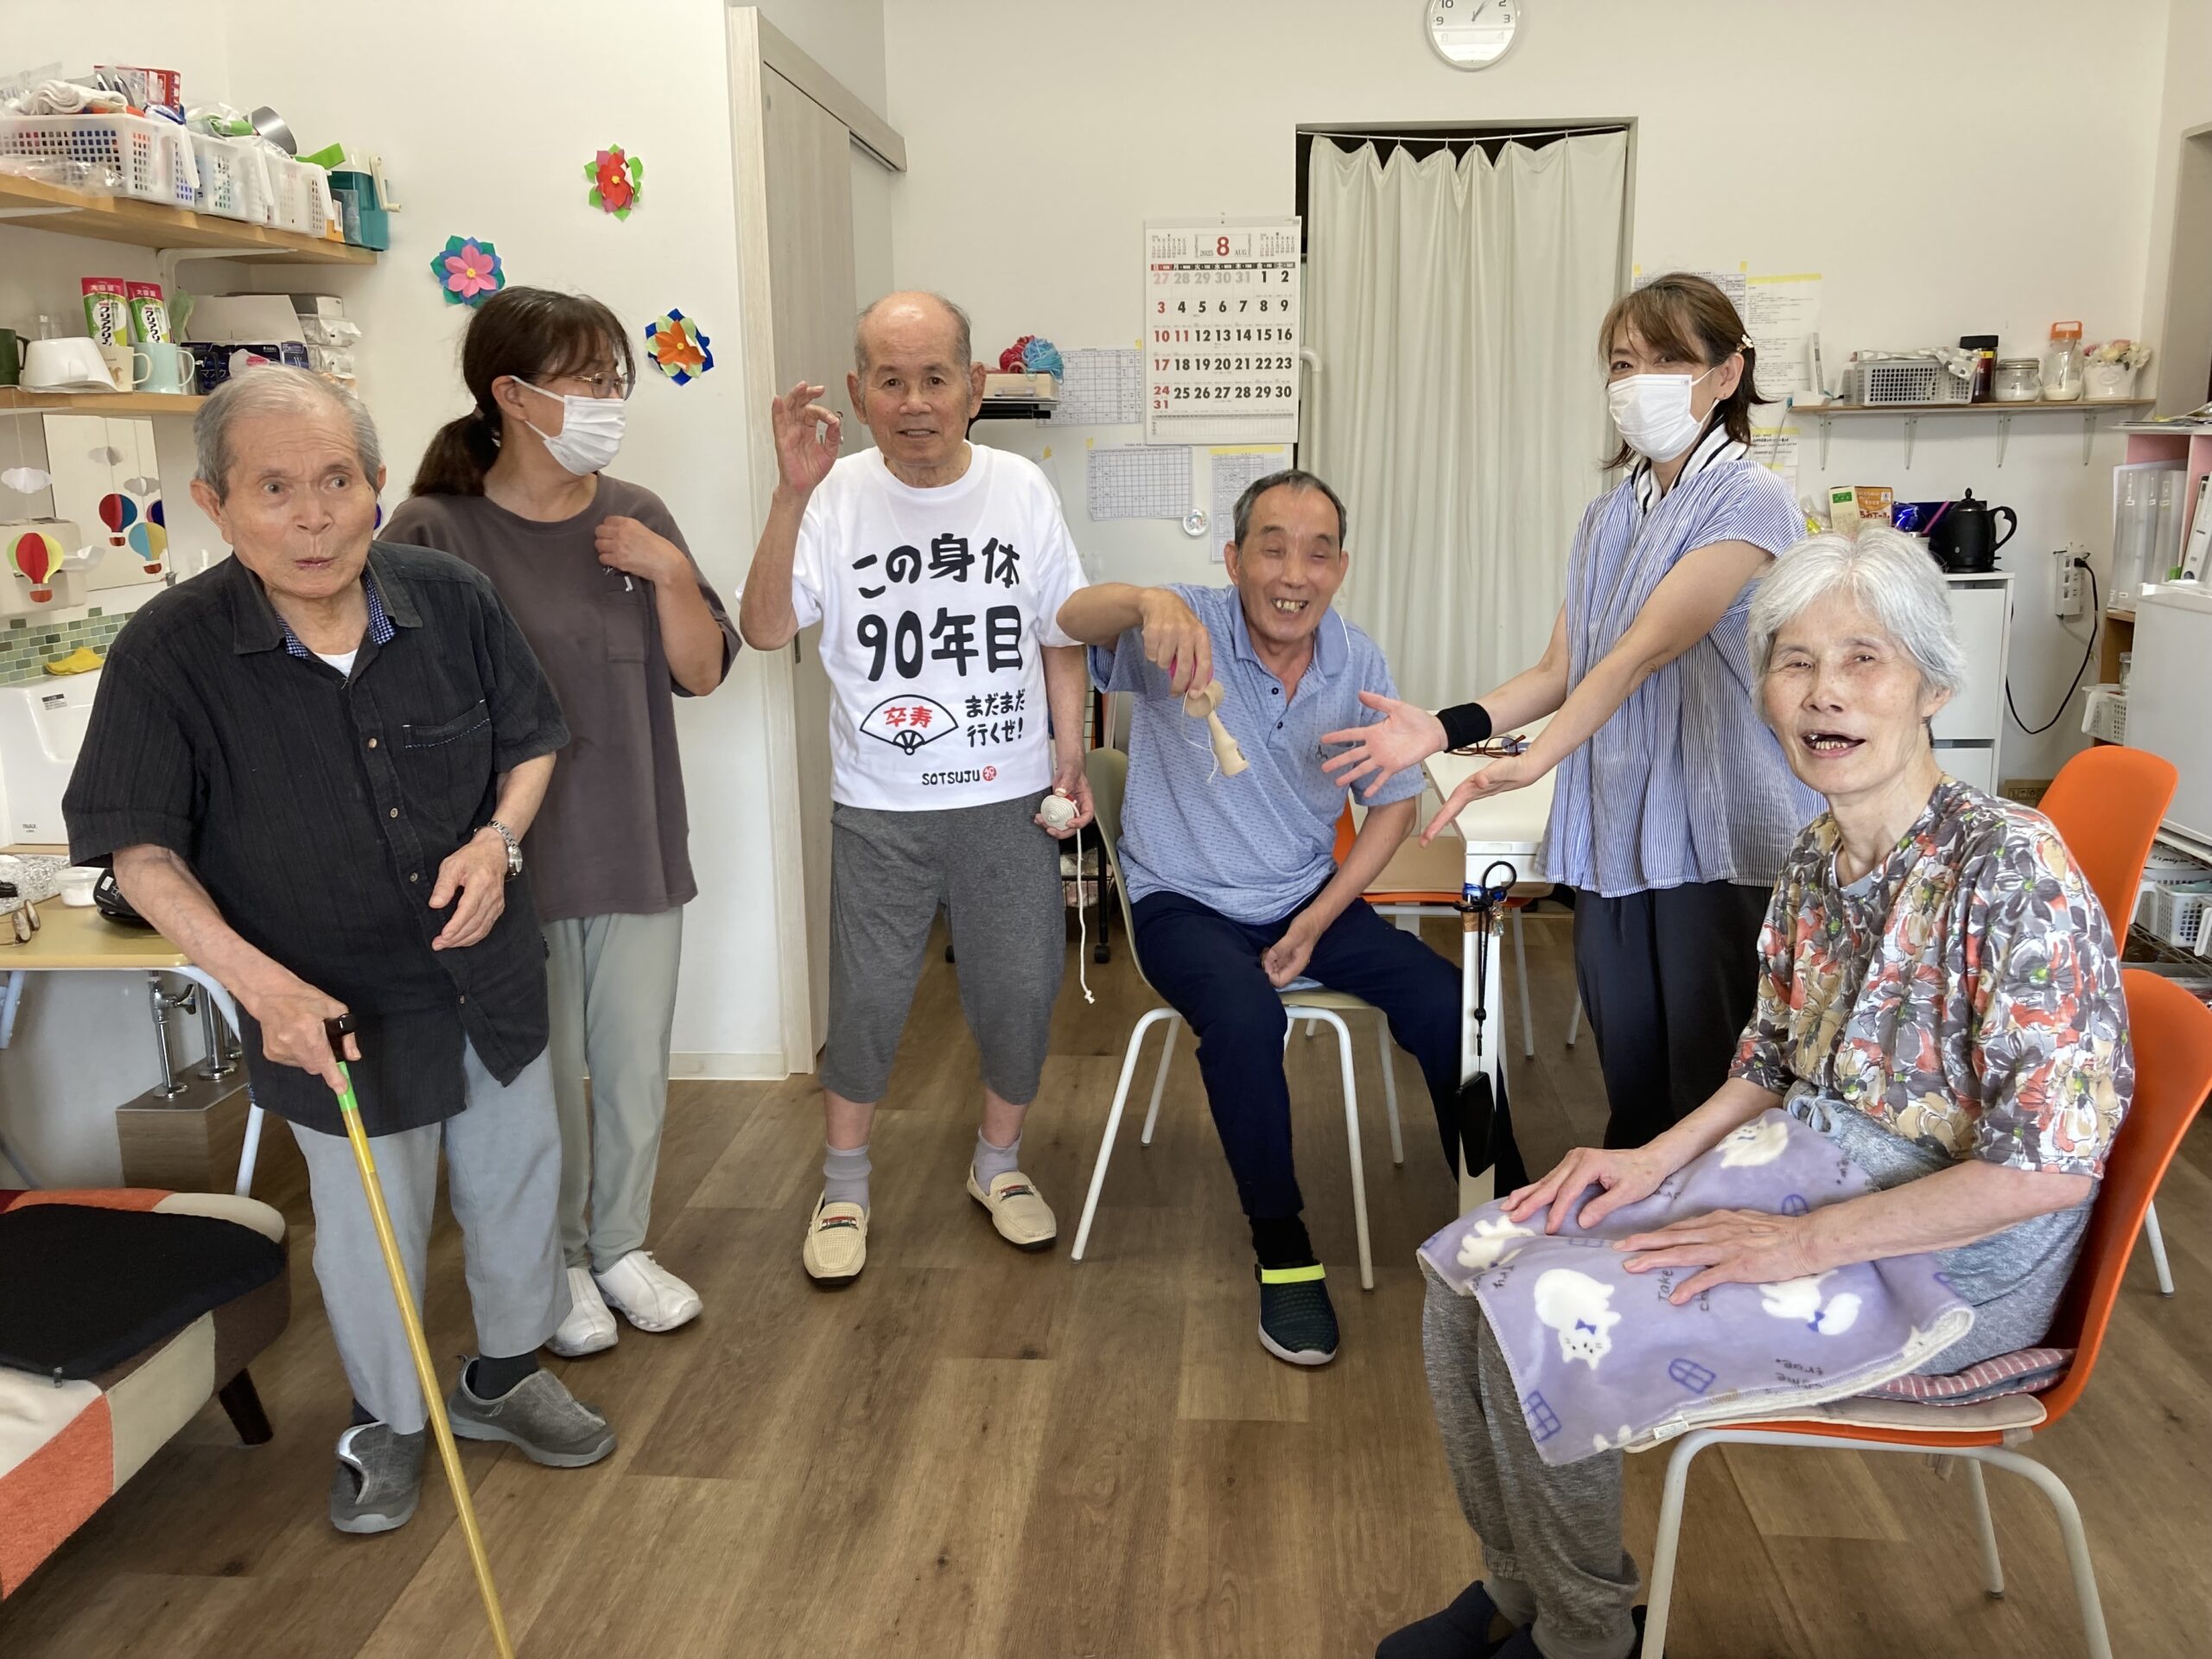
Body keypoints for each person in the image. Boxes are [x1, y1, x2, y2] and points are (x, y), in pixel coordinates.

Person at [1381, 529, 2130, 1659]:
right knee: (1470, 1266)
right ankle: (1524, 1586)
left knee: (1542, 1311)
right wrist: (1647, 1162)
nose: (1824, 693)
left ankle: (1584, 1639)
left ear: (1932, 682)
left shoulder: (2013, 865)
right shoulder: (1818, 855)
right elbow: (1768, 1064)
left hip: (1950, 1268)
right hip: (1811, 1180)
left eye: (1863, 659)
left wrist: (1808, 1242)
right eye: (1792, 662)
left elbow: (2047, 1169)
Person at [64, 367, 616, 1537]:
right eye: (275, 489)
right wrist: (254, 984)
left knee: (521, 1182)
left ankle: (503, 1378)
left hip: (488, 972)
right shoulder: (169, 654)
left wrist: (498, 843)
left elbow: (531, 741)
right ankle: (388, 1419)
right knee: (370, 1228)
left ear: (374, 487)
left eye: (335, 482)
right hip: (326, 1002)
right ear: (217, 504)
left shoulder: (449, 596)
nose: (312, 517)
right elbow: (137, 849)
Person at [1322, 273, 1820, 1179]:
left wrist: (1529, 764)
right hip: (1619, 830)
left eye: (1669, 358)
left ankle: (1706, 1276)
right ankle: (1628, 1261)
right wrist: (1438, 730)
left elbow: (1638, 652)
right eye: (1623, 363)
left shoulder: (1751, 500)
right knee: (1633, 1079)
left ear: (1725, 374)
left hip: (1720, 838)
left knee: (1713, 1096)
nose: (1640, 382)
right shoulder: (1608, 515)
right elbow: (1560, 669)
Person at [384, 288, 739, 1358]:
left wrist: (669, 571)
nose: (608, 400)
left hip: (633, 839)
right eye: (588, 380)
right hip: (509, 862)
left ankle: (621, 1244)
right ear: (512, 393)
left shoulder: (636, 516)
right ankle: (559, 1261)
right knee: (535, 1081)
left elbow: (703, 669)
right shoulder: (434, 530)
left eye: (614, 379)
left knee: (629, 1068)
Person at [1058, 469, 1463, 1367]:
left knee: (1447, 1001)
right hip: (1182, 903)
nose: (1294, 572)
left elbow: (1394, 803)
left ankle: (1504, 1207)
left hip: (1298, 897)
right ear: (1235, 559)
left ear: (1341, 568)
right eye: (1271, 547)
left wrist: (1318, 918)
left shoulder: (1357, 662)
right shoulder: (1180, 628)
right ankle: (1282, 1251)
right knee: (1245, 1018)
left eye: (1317, 553)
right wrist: (1146, 598)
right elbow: (1067, 619)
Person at [736, 291, 1093, 1284]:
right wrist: (788, 495)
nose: (915, 401)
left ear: (974, 387)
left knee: (1018, 992)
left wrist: (1069, 752)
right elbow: (766, 630)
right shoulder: (833, 494)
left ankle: (1000, 1164)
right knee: (866, 1004)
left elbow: (1059, 631)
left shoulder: (1020, 490)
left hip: (1008, 795)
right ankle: (843, 1181)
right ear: (857, 393)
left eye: (935, 377)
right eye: (889, 380)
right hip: (882, 804)